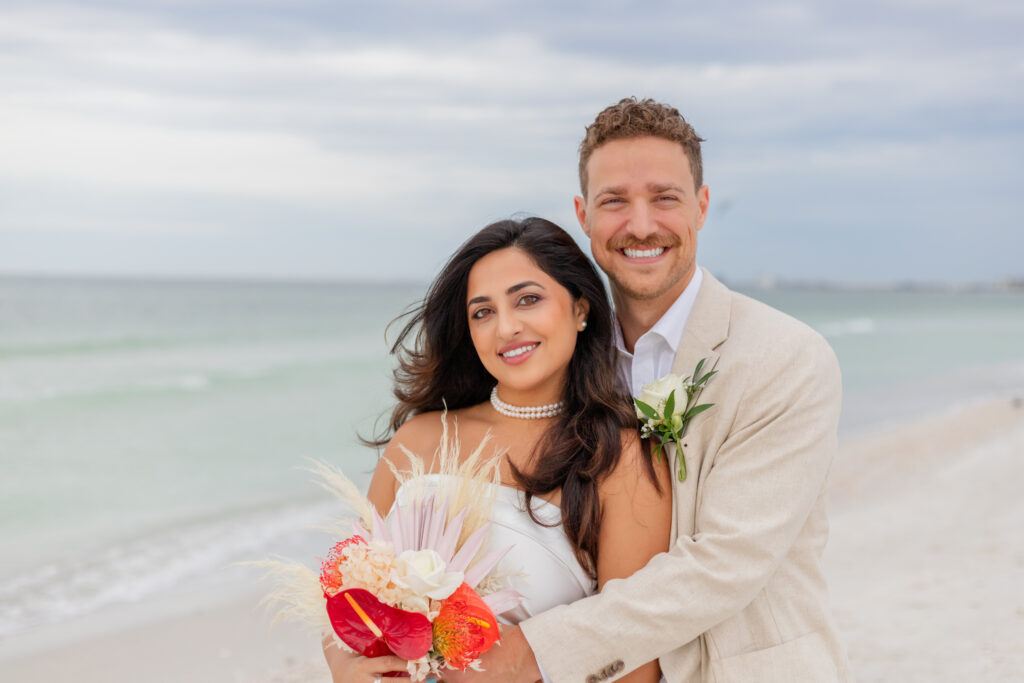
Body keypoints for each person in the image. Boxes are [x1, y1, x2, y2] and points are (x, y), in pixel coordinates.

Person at [443, 99, 853, 682]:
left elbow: (723, 564)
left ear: (702, 207)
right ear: (583, 216)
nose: (640, 225)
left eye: (665, 198)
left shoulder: (786, 358)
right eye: (614, 202)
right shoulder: (553, 361)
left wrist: (528, 653)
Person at [322, 217, 673, 683]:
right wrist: (342, 663)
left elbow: (634, 663)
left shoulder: (621, 459)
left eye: (528, 299)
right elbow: (349, 593)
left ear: (580, 308)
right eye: (482, 312)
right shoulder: (420, 439)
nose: (506, 327)